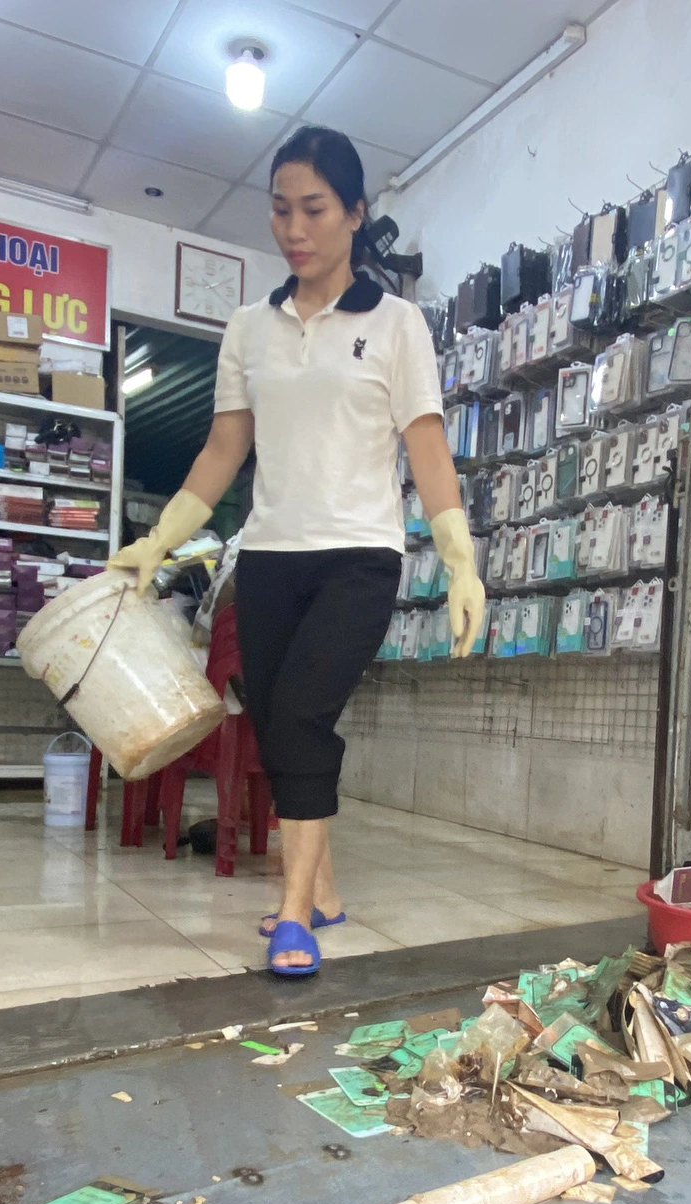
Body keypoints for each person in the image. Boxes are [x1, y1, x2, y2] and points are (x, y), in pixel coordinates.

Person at [108, 125, 483, 977]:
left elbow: (426, 451)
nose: (293, 228)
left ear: (354, 214)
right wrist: (158, 542)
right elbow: (221, 451)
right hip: (269, 556)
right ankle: (326, 888)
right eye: (279, 210)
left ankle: (290, 914)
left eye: (313, 209)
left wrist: (459, 561)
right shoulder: (249, 328)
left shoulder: (397, 326)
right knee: (277, 729)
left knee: (304, 720)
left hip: (359, 557)